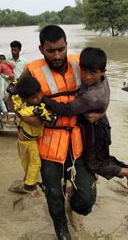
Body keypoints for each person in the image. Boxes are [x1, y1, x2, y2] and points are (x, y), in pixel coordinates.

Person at [17, 25, 96, 239]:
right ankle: (62, 232)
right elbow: (14, 100)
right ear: (41, 49)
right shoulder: (31, 70)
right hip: (48, 143)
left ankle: (76, 200)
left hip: (79, 141)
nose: (57, 55)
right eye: (51, 51)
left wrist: (100, 113)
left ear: (66, 45)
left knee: (87, 201)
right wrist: (26, 116)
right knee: (54, 195)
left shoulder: (80, 63)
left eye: (61, 49)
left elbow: (101, 86)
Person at [41, 47, 128, 190]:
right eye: (84, 71)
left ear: (102, 72)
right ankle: (127, 169)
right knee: (101, 157)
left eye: (93, 73)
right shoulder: (102, 79)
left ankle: (127, 172)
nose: (87, 77)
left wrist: (43, 98)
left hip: (97, 129)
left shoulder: (92, 96)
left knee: (94, 163)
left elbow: (67, 110)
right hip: (100, 122)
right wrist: (103, 111)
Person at [12, 77, 57, 196]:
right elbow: (44, 121)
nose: (38, 98)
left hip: (26, 140)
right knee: (35, 163)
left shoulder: (22, 104)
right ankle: (30, 186)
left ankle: (28, 181)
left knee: (28, 164)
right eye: (34, 97)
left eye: (39, 94)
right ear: (25, 98)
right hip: (27, 142)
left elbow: (15, 96)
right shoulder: (31, 110)